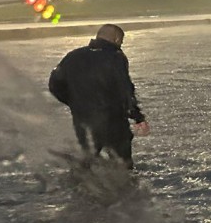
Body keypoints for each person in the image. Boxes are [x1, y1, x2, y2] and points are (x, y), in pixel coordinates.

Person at [48, 24, 150, 168]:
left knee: (87, 162)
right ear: (116, 39)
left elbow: (54, 85)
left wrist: (74, 103)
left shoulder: (73, 56)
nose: (121, 45)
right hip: (113, 121)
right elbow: (125, 89)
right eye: (121, 41)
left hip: (83, 121)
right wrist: (138, 117)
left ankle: (81, 185)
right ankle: (125, 187)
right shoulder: (116, 57)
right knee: (122, 165)